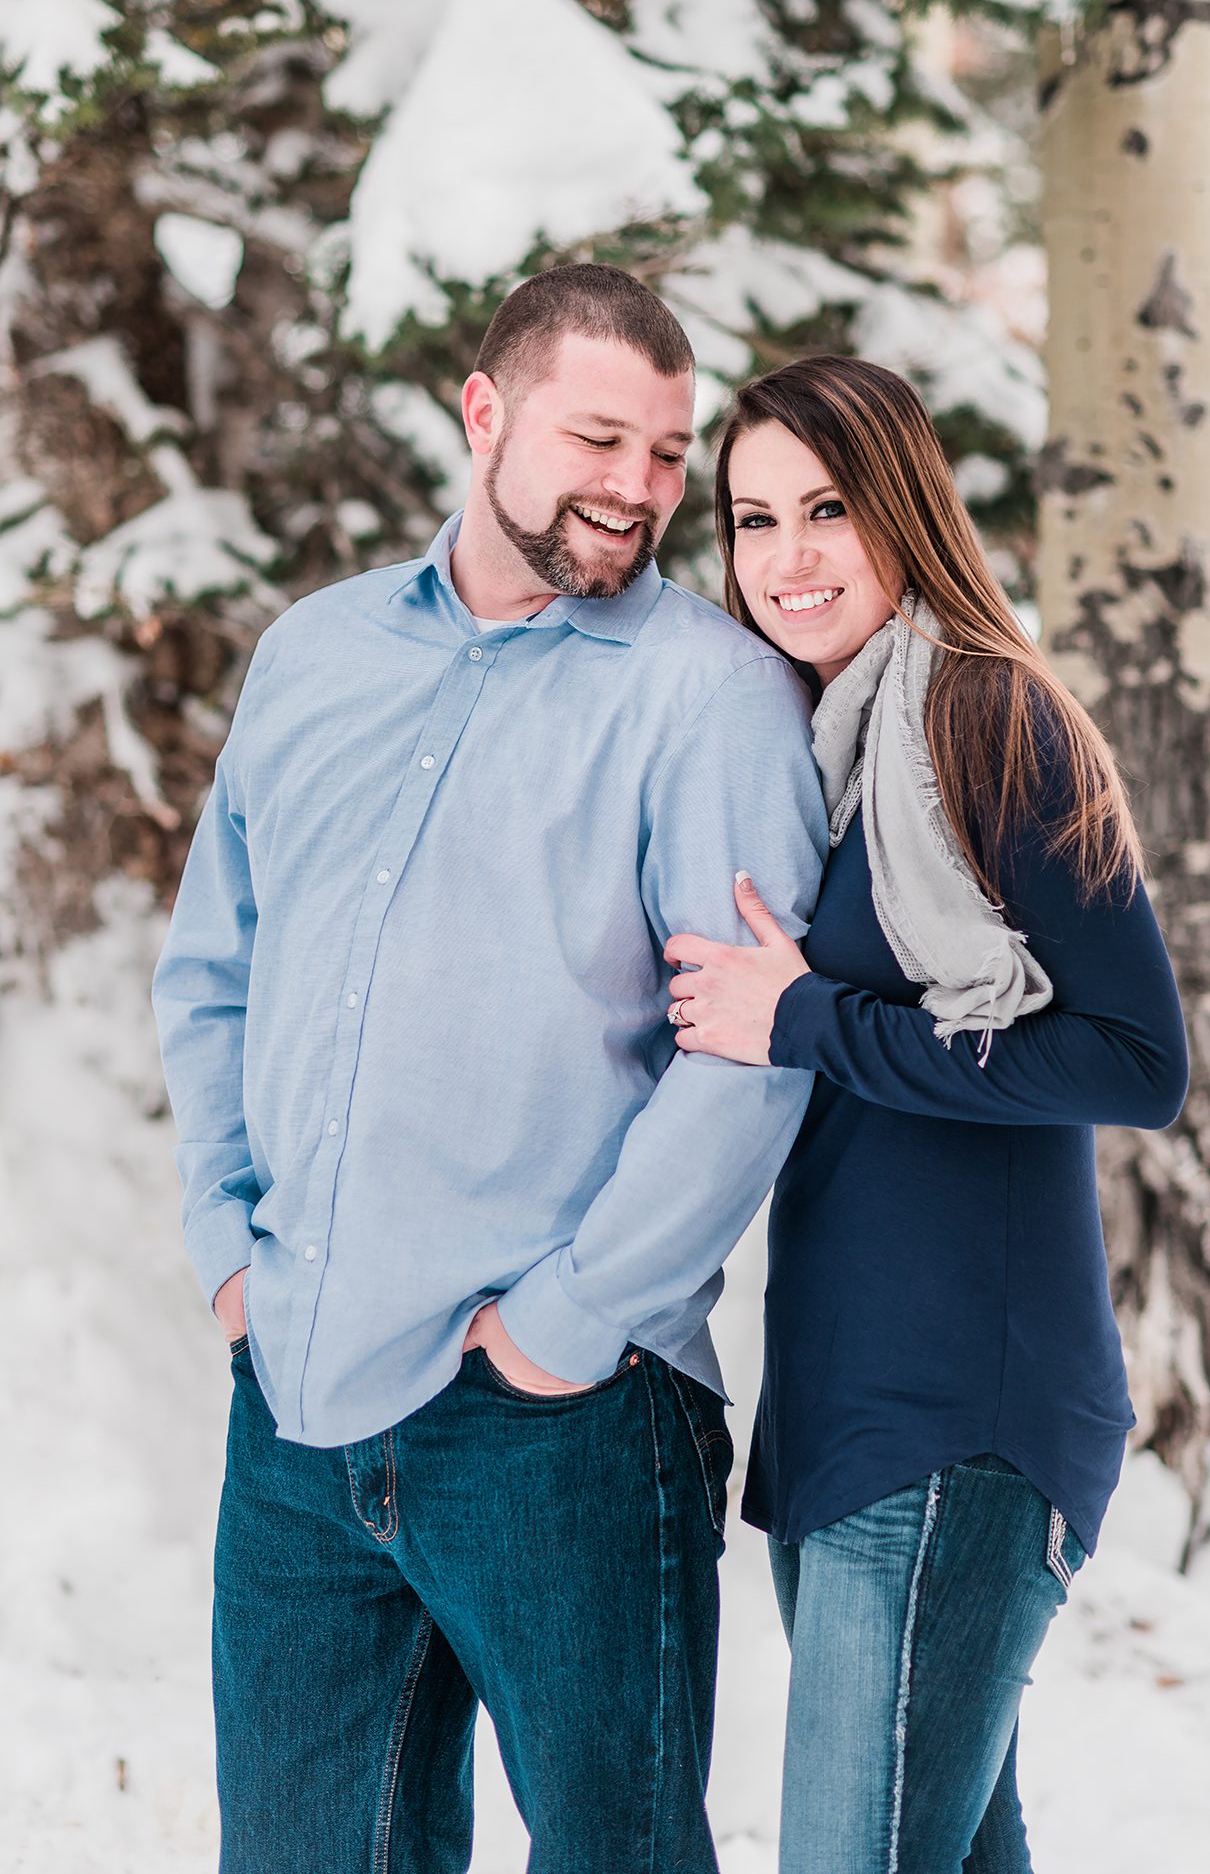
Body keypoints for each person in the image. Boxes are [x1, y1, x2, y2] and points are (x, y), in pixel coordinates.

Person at [152, 264, 827, 1874]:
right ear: (482, 412)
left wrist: (561, 1328)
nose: (639, 489)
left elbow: (745, 1055)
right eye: (600, 437)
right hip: (299, 1411)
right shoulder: (314, 655)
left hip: (561, 1427)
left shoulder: (705, 695)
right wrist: (226, 1246)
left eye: (667, 455)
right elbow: (211, 971)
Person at [663, 355, 1189, 1873]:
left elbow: (1129, 1058)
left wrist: (807, 1016)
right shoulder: (825, 753)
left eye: (826, 508)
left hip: (964, 1415)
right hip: (843, 1414)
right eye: (753, 520)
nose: (788, 557)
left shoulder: (983, 719)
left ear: (902, 506)